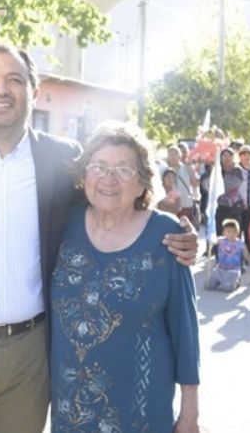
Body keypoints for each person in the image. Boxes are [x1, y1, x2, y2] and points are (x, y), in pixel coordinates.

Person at [0, 44, 198, 433]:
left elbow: (112, 205)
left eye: (14, 79)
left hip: (31, 354)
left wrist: (177, 233)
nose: (1, 89)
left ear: (34, 90)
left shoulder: (62, 159)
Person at [50, 121, 200, 432]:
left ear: (143, 183)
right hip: (72, 413)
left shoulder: (168, 236)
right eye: (99, 166)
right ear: (84, 174)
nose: (109, 178)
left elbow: (186, 332)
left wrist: (190, 415)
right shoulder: (62, 223)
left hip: (142, 415)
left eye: (124, 170)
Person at [207, 219, 249, 292]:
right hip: (220, 268)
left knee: (228, 288)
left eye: (234, 232)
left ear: (238, 232)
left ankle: (235, 282)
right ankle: (219, 281)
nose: (231, 234)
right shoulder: (221, 240)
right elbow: (213, 241)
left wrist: (249, 258)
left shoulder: (240, 243)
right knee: (208, 286)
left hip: (233, 269)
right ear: (224, 233)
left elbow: (246, 254)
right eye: (229, 232)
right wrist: (212, 242)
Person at [168, 145, 200, 226]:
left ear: (180, 156)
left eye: (175, 154)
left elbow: (195, 183)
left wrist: (191, 170)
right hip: (170, 205)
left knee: (185, 228)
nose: (172, 156)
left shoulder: (186, 167)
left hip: (185, 204)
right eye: (170, 154)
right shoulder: (164, 169)